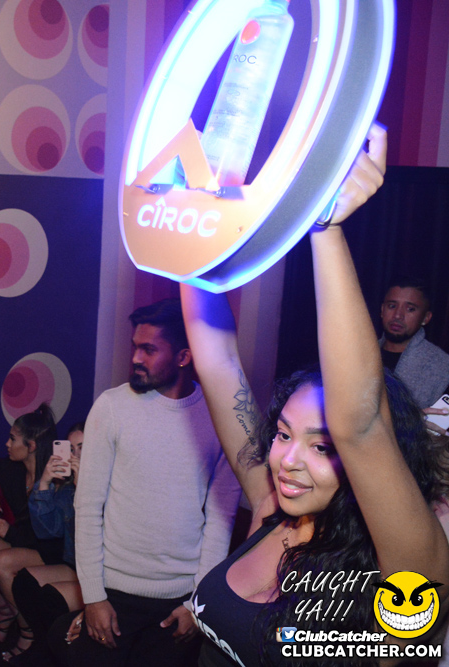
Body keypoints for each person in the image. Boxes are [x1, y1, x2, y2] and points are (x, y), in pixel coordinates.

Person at [181, 125, 449, 666]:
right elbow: (218, 361)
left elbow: (361, 426)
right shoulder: (271, 505)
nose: (287, 460)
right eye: (283, 435)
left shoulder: (408, 572)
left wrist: (324, 226)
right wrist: (191, 221)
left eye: (322, 446)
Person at [59, 298, 241, 667]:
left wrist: (196, 605)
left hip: (179, 603)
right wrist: (93, 597)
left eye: (149, 349)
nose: (135, 358)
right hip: (113, 594)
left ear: (183, 356)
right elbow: (88, 506)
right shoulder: (112, 406)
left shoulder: (220, 418)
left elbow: (220, 522)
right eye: (134, 347)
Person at [0, 405, 63, 654]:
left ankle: (28, 629)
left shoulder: (55, 478)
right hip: (26, 542)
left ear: (31, 445)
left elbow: (53, 537)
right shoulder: (14, 469)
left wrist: (10, 534)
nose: (7, 444)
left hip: (54, 552)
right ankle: (9, 609)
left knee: (2, 562)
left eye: (13, 439)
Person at [8, 422, 86, 665]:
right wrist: (44, 483)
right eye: (70, 449)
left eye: (82, 448)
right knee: (24, 582)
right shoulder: (68, 490)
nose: (75, 455)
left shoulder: (112, 487)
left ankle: (50, 654)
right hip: (75, 565)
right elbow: (47, 531)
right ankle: (43, 647)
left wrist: (85, 490)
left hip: (102, 574)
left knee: (50, 599)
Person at [378, 276, 449, 421]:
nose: (398, 315)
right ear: (382, 310)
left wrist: (417, 425)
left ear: (425, 318)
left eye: (410, 309)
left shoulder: (441, 366)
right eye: (392, 306)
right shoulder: (360, 353)